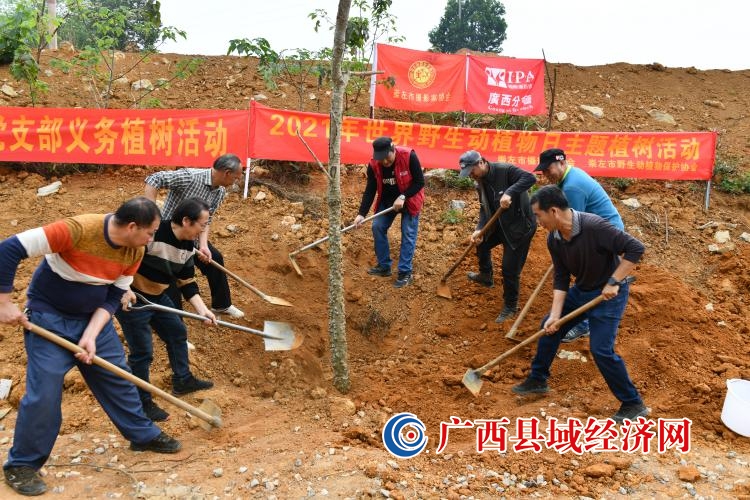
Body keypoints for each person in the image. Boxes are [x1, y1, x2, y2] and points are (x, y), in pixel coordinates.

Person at [0, 197, 181, 497]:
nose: (152, 239)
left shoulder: (134, 250)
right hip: (48, 319)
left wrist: (92, 335)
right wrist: (3, 302)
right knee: (44, 392)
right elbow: (8, 248)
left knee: (118, 379)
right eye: (150, 232)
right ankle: (22, 465)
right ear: (132, 226)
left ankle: (142, 435)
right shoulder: (78, 229)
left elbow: (113, 297)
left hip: (92, 319)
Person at [512, 185, 648, 424]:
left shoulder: (595, 226)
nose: (537, 220)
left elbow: (635, 248)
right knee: (548, 327)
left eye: (538, 215)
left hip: (609, 295)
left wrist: (614, 281)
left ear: (553, 211)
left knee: (601, 350)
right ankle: (538, 379)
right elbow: (561, 277)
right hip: (583, 290)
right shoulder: (554, 239)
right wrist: (556, 315)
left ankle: (632, 403)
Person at [116, 198, 216, 422]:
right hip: (131, 298)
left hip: (157, 296)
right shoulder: (153, 235)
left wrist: (202, 311)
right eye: (202, 224)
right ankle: (142, 404)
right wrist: (121, 287)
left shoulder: (187, 247)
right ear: (186, 221)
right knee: (142, 353)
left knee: (177, 333)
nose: (204, 230)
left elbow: (186, 282)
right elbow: (121, 257)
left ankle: (183, 380)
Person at [534, 148, 624, 343]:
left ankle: (584, 326)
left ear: (561, 163)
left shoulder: (572, 187)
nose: (546, 174)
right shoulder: (568, 178)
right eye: (544, 171)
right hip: (597, 232)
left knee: (587, 278)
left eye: (548, 169)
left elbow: (573, 223)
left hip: (605, 236)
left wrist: (564, 251)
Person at [144, 154, 245, 318]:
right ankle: (175, 322)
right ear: (227, 173)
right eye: (235, 177)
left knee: (215, 259)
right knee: (171, 276)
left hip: (193, 236)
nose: (235, 181)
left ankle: (221, 305)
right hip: (168, 235)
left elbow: (207, 220)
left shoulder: (219, 192)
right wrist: (152, 218)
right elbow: (154, 179)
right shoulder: (190, 177)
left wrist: (203, 245)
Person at [457, 150, 537, 323]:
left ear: (481, 163)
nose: (471, 175)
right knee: (481, 242)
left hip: (519, 229)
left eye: (472, 170)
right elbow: (484, 209)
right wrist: (480, 229)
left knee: (509, 269)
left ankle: (510, 306)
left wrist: (510, 192)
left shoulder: (505, 170)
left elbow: (530, 178)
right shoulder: (480, 183)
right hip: (499, 225)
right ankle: (486, 276)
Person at [354, 137, 425, 288]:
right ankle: (384, 266)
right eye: (381, 159)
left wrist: (403, 196)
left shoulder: (408, 156)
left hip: (410, 200)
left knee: (407, 232)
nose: (385, 162)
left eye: (387, 157)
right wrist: (361, 213)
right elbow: (370, 190)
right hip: (387, 201)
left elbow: (420, 182)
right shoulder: (373, 164)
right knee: (377, 227)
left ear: (393, 150)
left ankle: (405, 272)